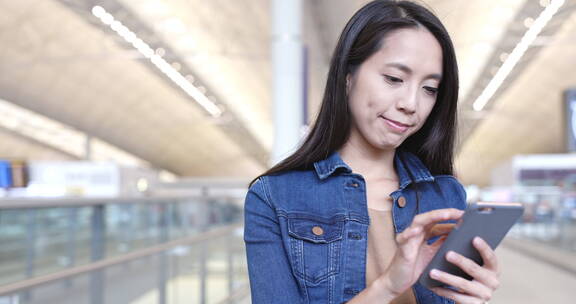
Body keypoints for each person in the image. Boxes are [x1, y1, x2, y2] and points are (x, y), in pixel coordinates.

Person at [244, 1, 500, 303]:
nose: (411, 103)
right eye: (394, 79)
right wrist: (388, 286)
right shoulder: (275, 197)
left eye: (429, 88)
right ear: (347, 76)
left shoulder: (445, 195)